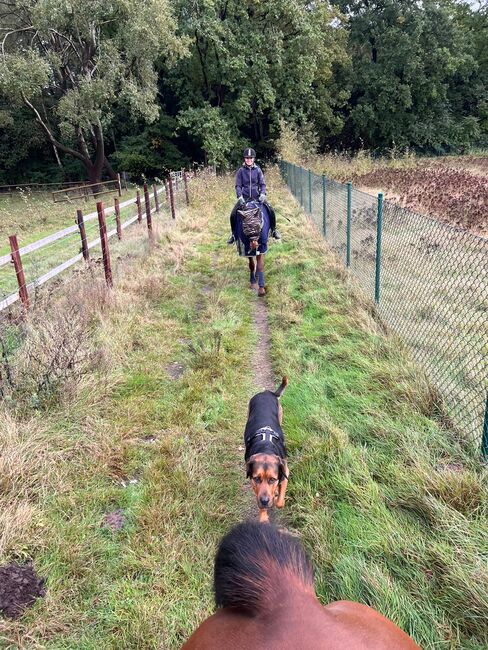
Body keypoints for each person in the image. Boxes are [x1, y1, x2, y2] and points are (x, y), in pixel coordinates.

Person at [227, 148, 280, 245]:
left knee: (271, 210)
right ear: (244, 159)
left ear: (253, 159)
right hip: (245, 199)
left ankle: (273, 230)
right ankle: (233, 235)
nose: (249, 160)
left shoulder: (258, 170)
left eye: (250, 158)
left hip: (257, 197)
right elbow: (238, 186)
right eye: (247, 158)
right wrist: (240, 197)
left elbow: (262, 184)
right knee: (233, 214)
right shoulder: (241, 171)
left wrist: (263, 194)